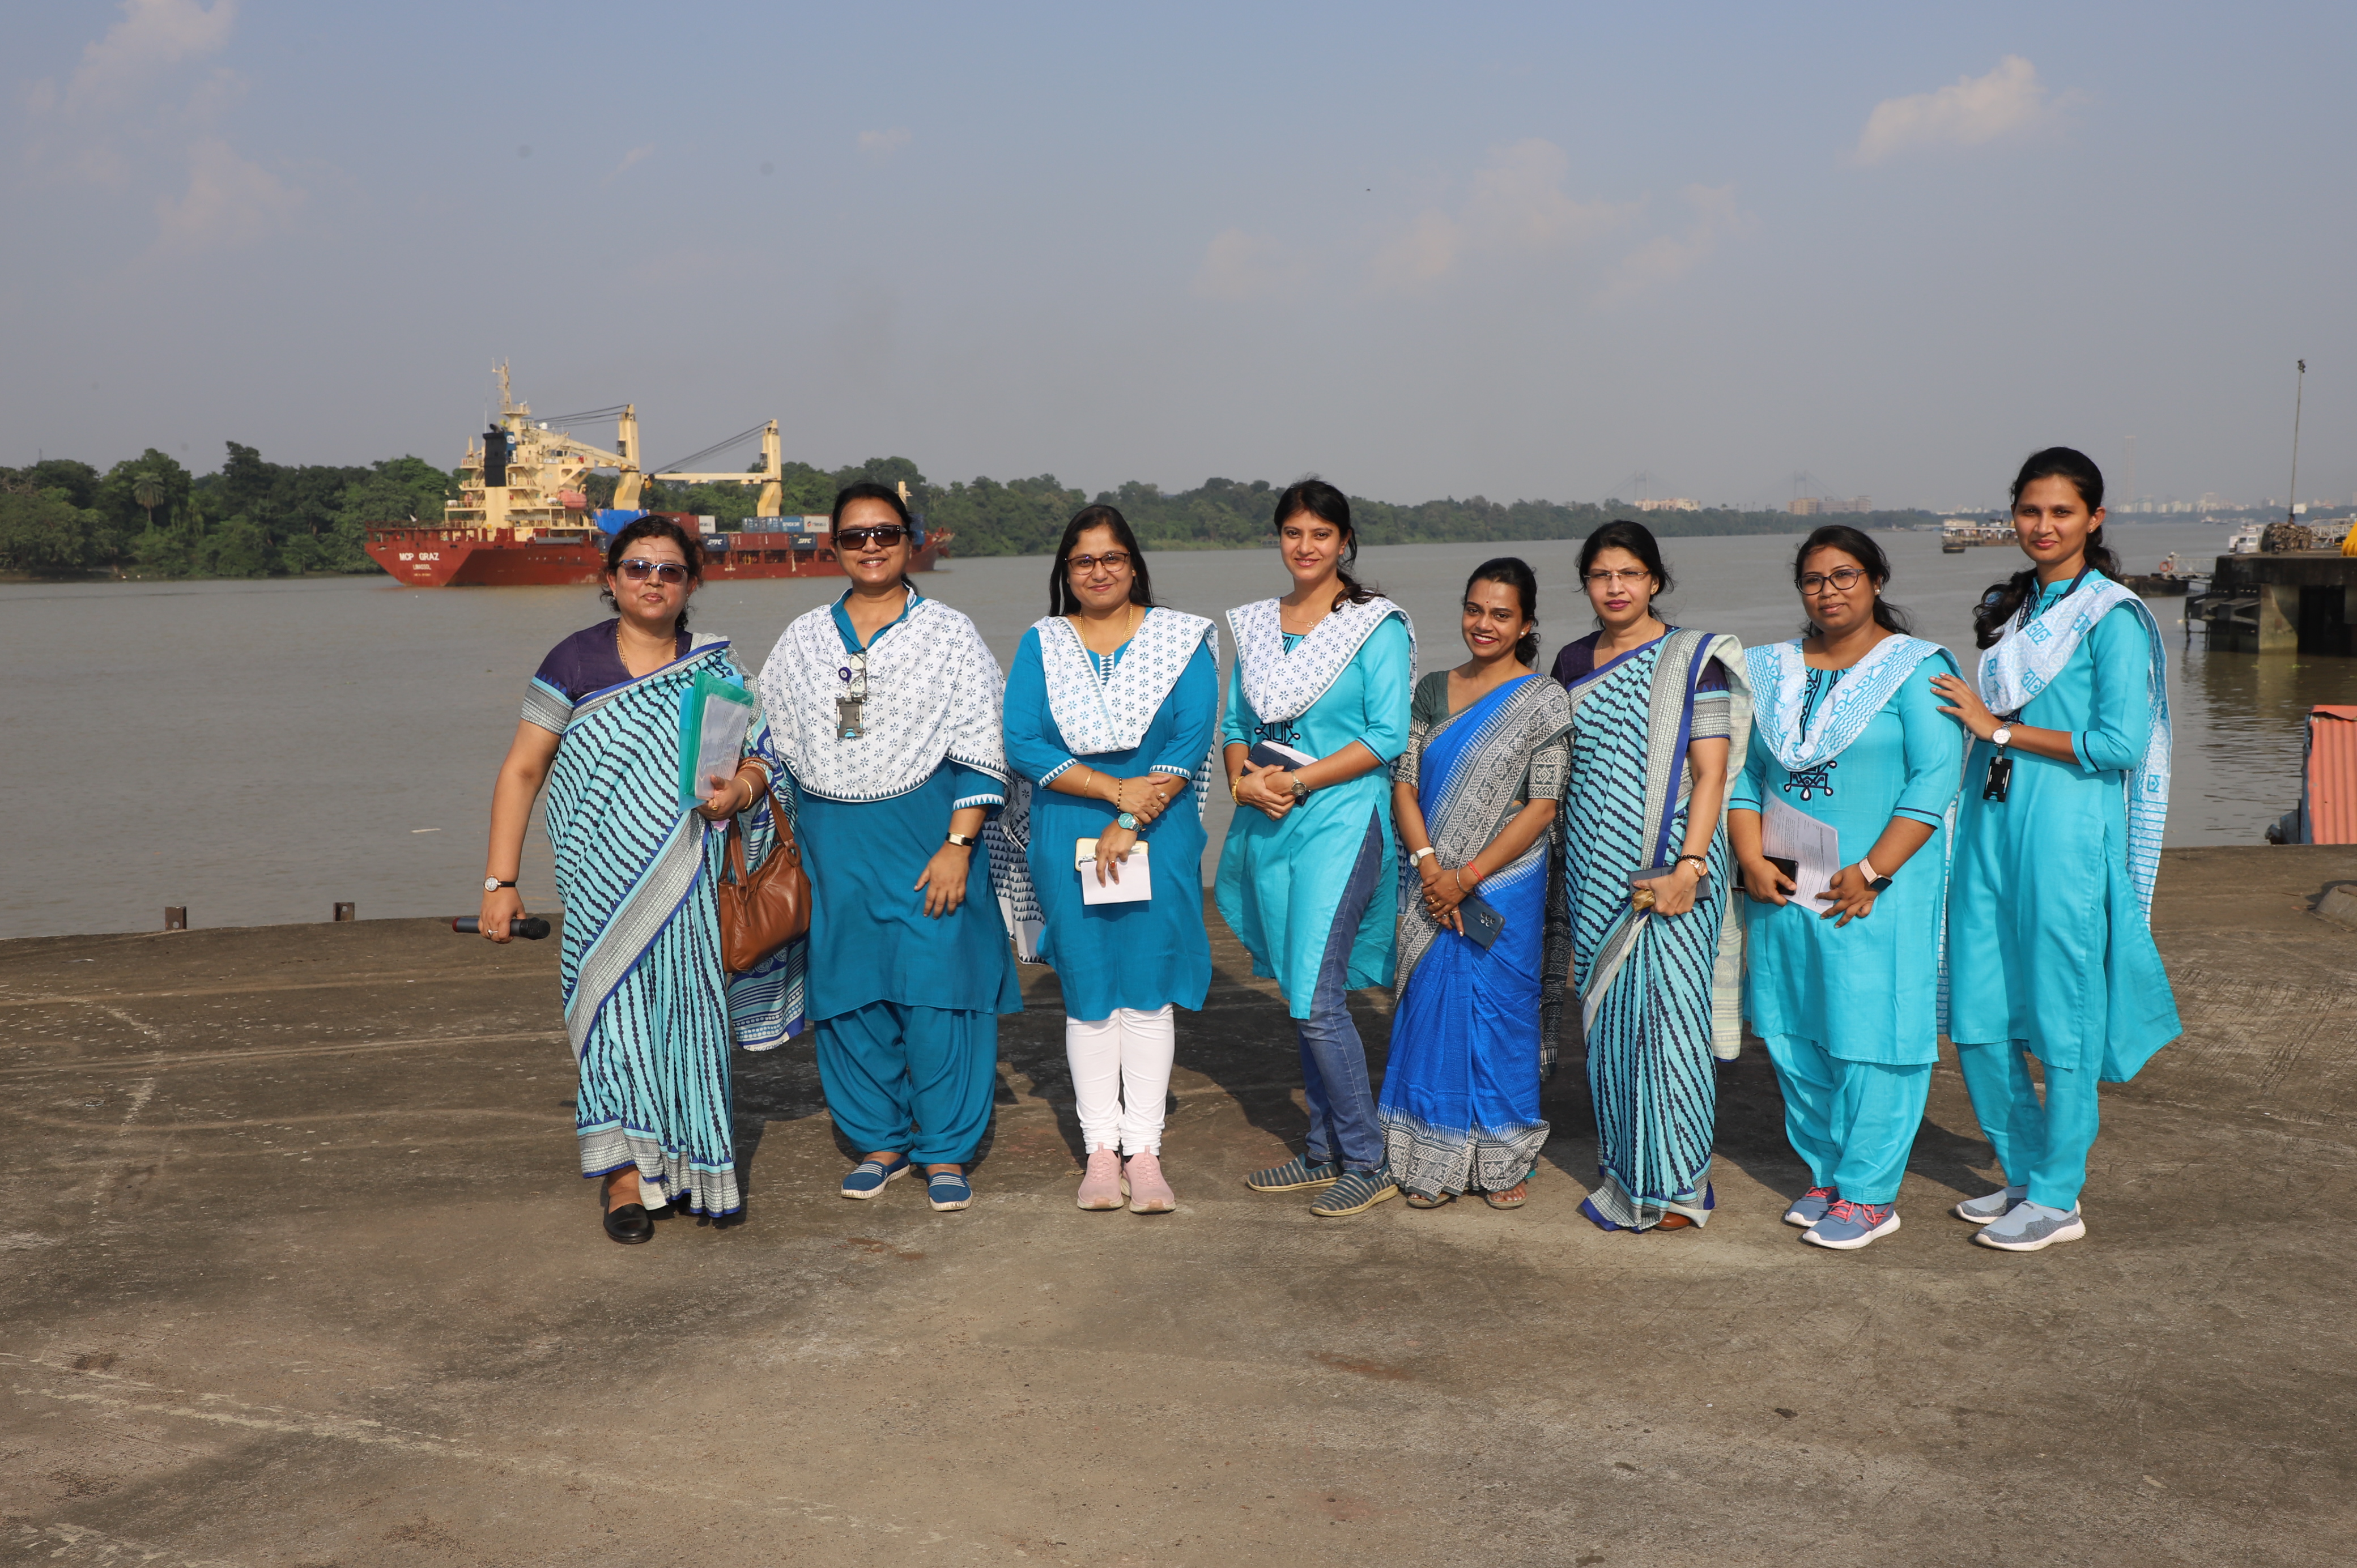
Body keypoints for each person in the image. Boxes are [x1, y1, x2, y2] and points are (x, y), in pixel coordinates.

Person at [479, 515, 801, 1244]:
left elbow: (759, 760)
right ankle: (624, 1181)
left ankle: (687, 1168)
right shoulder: (573, 662)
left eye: (669, 570)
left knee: (687, 1022)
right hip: (597, 879)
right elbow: (524, 768)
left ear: (692, 582)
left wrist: (736, 795)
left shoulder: (715, 667)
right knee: (612, 1026)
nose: (652, 580)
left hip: (688, 876)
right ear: (609, 579)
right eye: (636, 568)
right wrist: (501, 881)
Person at [1931, 447, 2180, 1252]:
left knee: (2062, 1012)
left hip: (2066, 832)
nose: (2043, 526)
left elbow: (2118, 742)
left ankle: (2059, 1195)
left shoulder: (2111, 617)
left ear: (2094, 519)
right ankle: (2024, 1171)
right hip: (1990, 821)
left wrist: (1995, 727)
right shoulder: (2016, 609)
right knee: (1976, 1005)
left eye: (2062, 512)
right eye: (2031, 511)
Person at [755, 482, 1023, 1214]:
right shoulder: (805, 637)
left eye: (886, 533)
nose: (871, 546)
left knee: (942, 990)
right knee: (849, 995)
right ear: (832, 548)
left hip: (928, 836)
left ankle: (946, 1149)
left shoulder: (949, 632)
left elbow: (982, 740)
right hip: (830, 843)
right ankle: (879, 1140)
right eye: (855, 536)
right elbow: (763, 734)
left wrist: (959, 845)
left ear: (910, 541)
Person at [1729, 526, 1965, 1250]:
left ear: (1875, 579)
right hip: (1785, 878)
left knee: (1872, 1035)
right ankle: (1826, 1173)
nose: (1828, 590)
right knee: (1795, 1026)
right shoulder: (1769, 670)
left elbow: (1936, 774)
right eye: (1813, 579)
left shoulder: (1913, 668)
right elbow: (1743, 770)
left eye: (1844, 575)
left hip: (1876, 886)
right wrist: (1747, 856)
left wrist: (1871, 871)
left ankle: (1869, 1194)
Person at [1001, 506, 1220, 1214]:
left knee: (1148, 989)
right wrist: (1107, 789)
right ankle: (1100, 1150)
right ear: (1065, 572)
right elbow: (1023, 743)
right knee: (1089, 991)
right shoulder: (1044, 642)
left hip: (1160, 827)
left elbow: (1190, 737)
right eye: (1082, 561)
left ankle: (1145, 1151)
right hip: (1066, 822)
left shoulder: (1179, 639)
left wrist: (1130, 815)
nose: (1097, 571)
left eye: (1111, 558)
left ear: (1133, 564)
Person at [1218, 479, 1415, 1219]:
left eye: (1321, 535)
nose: (1307, 547)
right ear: (1280, 538)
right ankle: (1323, 1149)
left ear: (1344, 542)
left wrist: (1297, 783)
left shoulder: (1374, 627)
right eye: (1294, 533)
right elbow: (1236, 723)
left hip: (1338, 819)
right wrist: (1242, 783)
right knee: (1299, 993)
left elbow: (1386, 735)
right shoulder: (1261, 627)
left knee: (1316, 996)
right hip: (1269, 821)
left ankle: (1368, 1159)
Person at [1545, 520, 1748, 1233]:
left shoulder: (1694, 659)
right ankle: (1629, 1167)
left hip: (1676, 861)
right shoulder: (1571, 659)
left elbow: (1710, 771)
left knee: (1671, 1022)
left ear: (1654, 580)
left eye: (1629, 574)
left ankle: (1679, 1184)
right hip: (1595, 865)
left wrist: (1690, 865)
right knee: (1611, 1023)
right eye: (1601, 575)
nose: (1615, 587)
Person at [1381, 559, 1572, 1211]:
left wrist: (1467, 876)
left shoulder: (1542, 699)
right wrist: (1432, 867)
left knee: (1500, 1017)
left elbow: (1542, 806)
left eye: (1500, 614)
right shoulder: (1432, 688)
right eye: (1474, 609)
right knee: (1429, 1011)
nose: (1482, 624)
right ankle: (1428, 1156)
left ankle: (1501, 1157)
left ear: (1524, 624)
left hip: (1504, 883)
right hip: (1428, 878)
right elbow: (1402, 783)